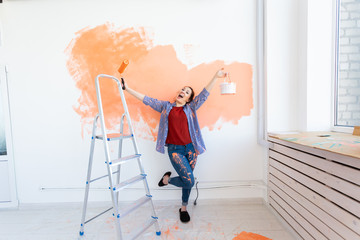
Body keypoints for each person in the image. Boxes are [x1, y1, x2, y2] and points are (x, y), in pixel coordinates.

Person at [124, 69, 227, 223]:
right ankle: (169, 183)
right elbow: (147, 99)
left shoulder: (191, 108)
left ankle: (182, 205)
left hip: (191, 149)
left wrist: (215, 77)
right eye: (182, 90)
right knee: (189, 180)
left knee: (188, 180)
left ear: (189, 99)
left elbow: (205, 94)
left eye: (186, 92)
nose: (182, 92)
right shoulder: (165, 107)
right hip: (175, 150)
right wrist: (127, 88)